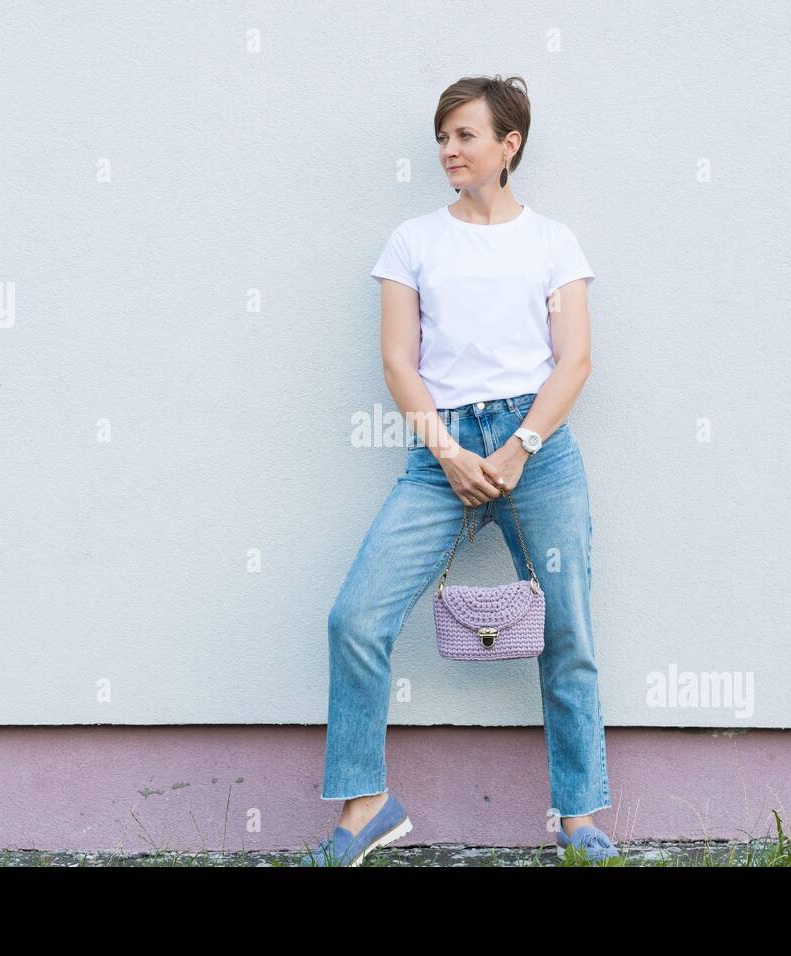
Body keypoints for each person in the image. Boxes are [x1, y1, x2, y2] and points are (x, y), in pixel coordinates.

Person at [300, 74, 617, 866]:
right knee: (355, 616)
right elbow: (398, 363)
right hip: (440, 449)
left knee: (569, 633)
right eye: (443, 136)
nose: (449, 149)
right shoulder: (413, 241)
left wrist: (518, 451)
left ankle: (578, 820)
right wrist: (450, 453)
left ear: (508, 146)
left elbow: (574, 362)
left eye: (466, 135)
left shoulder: (553, 242)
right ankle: (366, 803)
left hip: (536, 449)